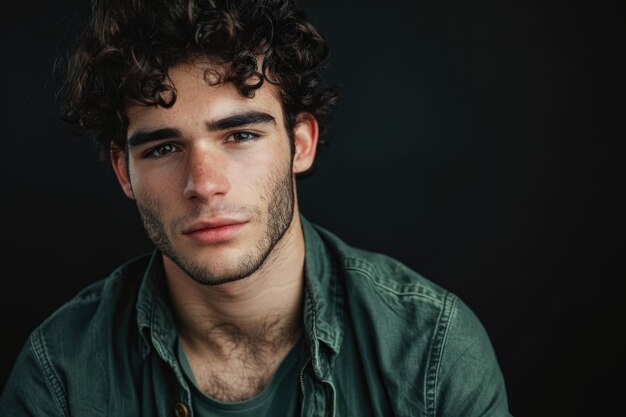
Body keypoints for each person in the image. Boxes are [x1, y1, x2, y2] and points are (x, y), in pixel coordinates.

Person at [0, 0, 511, 416]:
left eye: (241, 135)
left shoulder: (431, 350)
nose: (204, 185)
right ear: (122, 171)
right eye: (162, 148)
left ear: (301, 144)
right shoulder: (59, 375)